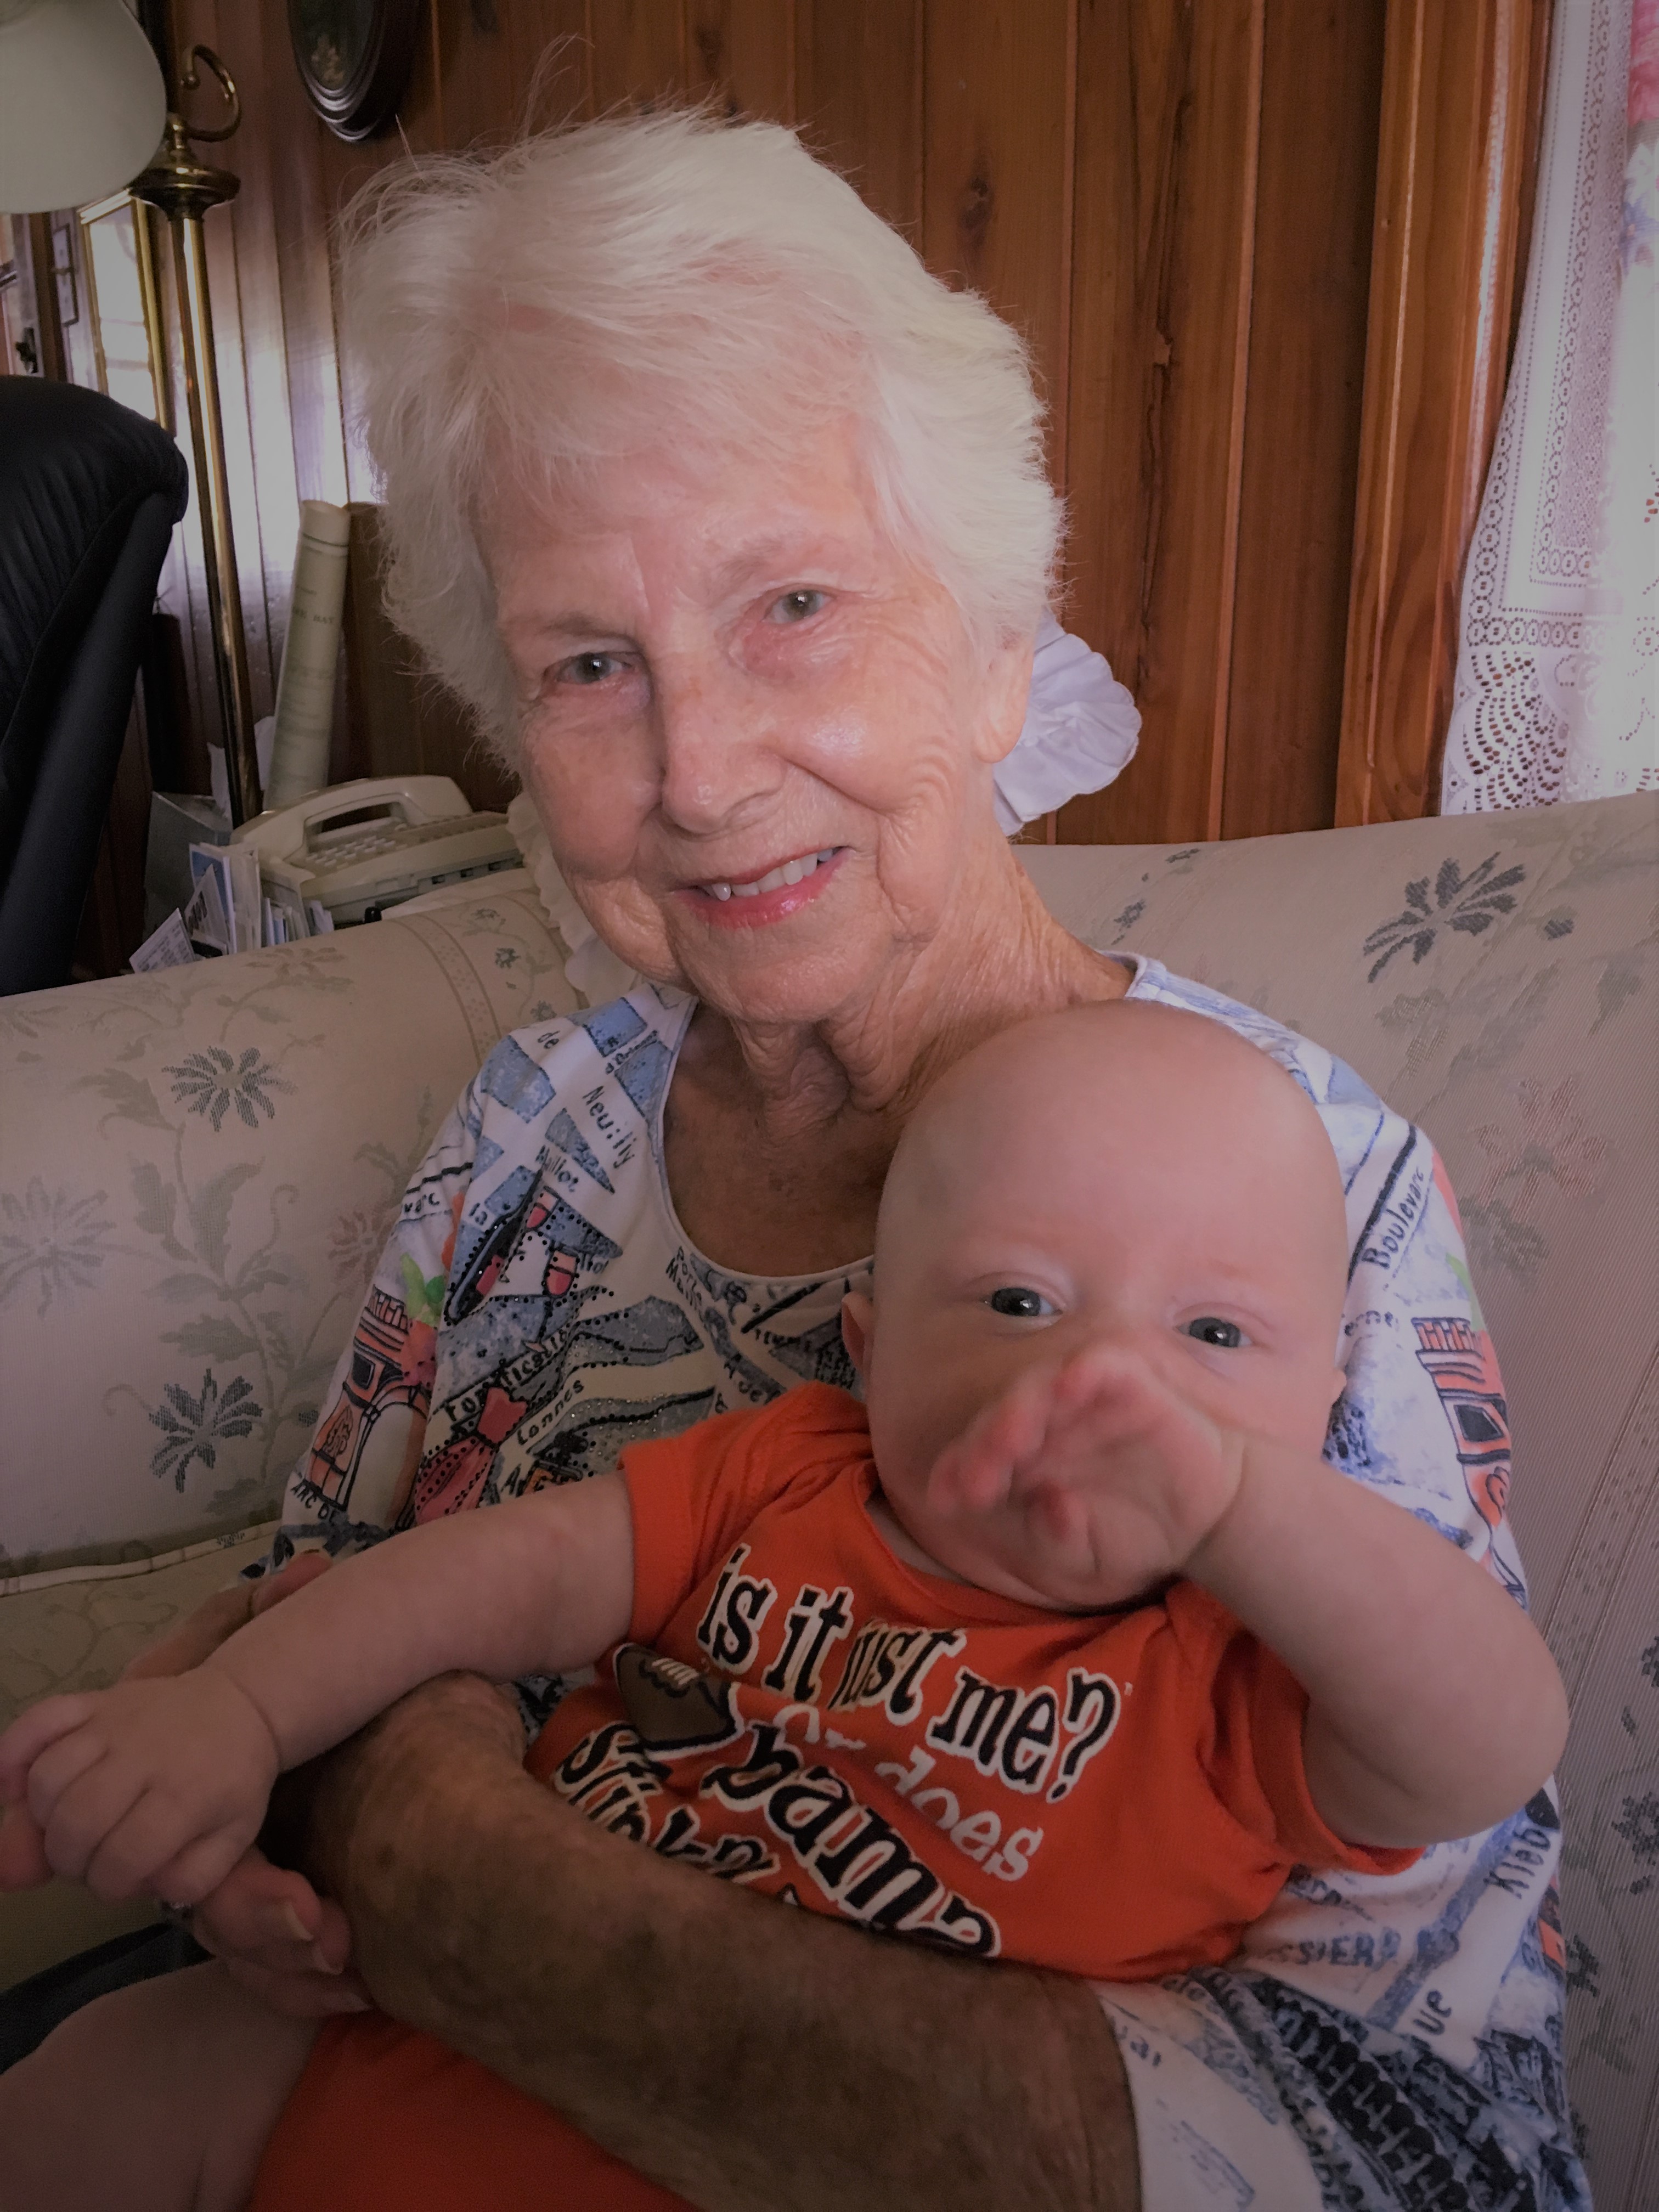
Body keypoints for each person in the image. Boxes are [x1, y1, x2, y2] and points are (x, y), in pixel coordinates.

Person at [0, 107, 1584, 2212]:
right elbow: (319, 1588)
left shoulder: (1290, 1185)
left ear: (999, 649)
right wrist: (231, 1794)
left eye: (797, 604)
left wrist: (454, 1869)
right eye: (589, 665)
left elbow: (1428, 2135)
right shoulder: (533, 1129)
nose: (703, 771)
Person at [0, 1003, 1569, 2212]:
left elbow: (1489, 1743)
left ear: (1329, 1407)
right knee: (108, 2072)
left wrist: (1240, 1509)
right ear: (871, 1350)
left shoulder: (1243, 1674)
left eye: (1214, 1335)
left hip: (780, 2166)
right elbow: (491, 1576)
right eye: (1018, 1300)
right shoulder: (783, 1474)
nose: (1101, 1379)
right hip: (416, 2066)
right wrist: (237, 1712)